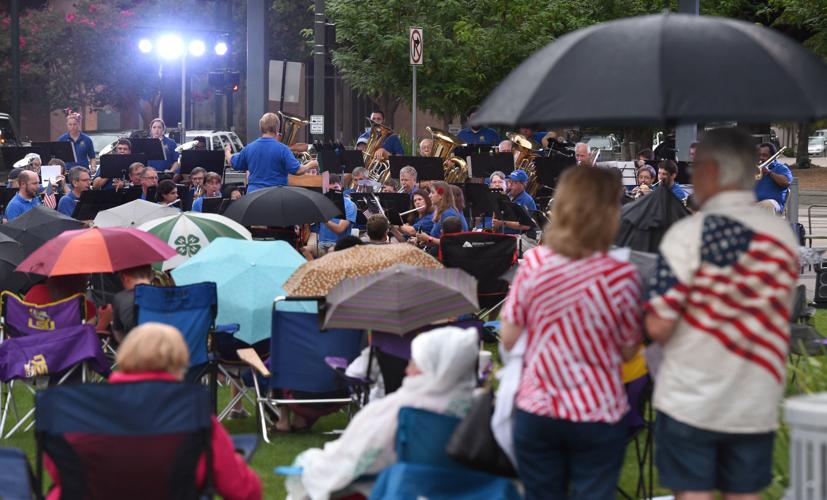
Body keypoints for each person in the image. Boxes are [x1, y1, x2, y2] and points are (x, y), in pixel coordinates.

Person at [644, 128, 799, 500]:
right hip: (752, 393)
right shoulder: (779, 239)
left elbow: (660, 325)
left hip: (691, 394)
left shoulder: (685, 237)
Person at [499, 167, 642, 500]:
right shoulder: (621, 273)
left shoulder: (534, 264)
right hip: (597, 408)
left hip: (538, 406)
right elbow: (628, 350)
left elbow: (508, 337)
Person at [41, 322, 263, 500]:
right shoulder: (192, 415)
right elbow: (243, 491)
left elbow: (60, 470)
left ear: (126, 356)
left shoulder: (84, 411)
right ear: (179, 362)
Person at [286, 326, 478, 500]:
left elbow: (358, 457)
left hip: (394, 487)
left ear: (430, 367)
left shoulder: (401, 408)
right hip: (458, 489)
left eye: (414, 362)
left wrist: (313, 463)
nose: (407, 368)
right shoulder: (477, 407)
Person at [225, 113, 312, 193]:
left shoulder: (249, 148)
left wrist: (227, 151)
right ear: (277, 128)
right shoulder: (283, 149)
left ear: (260, 128)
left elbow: (232, 162)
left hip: (253, 195)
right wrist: (311, 164)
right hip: (275, 195)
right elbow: (298, 170)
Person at [302, 174, 356, 258]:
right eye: (330, 190)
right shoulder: (322, 202)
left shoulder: (349, 205)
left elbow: (339, 229)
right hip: (322, 245)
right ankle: (314, 270)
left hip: (340, 246)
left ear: (341, 186)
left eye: (335, 188)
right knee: (303, 250)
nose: (333, 192)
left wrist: (323, 219)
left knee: (331, 251)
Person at [24, 274, 97, 324]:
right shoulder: (86, 307)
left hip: (31, 344)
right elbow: (89, 338)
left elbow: (23, 318)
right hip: (68, 346)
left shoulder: (36, 291)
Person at [416, 181, 467, 247]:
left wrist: (428, 238)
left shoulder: (448, 214)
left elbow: (451, 243)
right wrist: (424, 240)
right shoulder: (441, 212)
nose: (429, 195)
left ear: (441, 195)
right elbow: (437, 240)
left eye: (432, 192)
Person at [111, 265, 154, 343]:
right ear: (151, 275)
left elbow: (118, 333)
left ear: (125, 278)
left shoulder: (120, 298)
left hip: (137, 348)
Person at [493, 169, 536, 233]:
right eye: (509, 182)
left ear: (523, 184)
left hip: (520, 238)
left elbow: (527, 226)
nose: (510, 185)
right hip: (504, 234)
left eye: (514, 182)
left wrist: (502, 223)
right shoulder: (507, 196)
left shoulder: (527, 200)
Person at [754, 142, 792, 213]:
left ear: (772, 156)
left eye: (764, 155)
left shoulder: (781, 168)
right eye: (759, 155)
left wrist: (769, 173)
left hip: (772, 205)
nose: (761, 158)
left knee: (767, 204)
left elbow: (786, 183)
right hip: (753, 205)